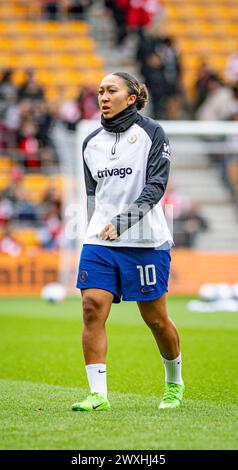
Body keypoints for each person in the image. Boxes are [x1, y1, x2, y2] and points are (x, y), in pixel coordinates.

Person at [72, 72, 184, 412]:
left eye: (112, 90)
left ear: (132, 97)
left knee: (155, 319)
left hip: (146, 240)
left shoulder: (152, 133)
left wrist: (121, 223)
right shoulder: (90, 142)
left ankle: (174, 383)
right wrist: (95, 228)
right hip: (101, 242)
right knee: (92, 307)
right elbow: (94, 196)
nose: (103, 96)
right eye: (100, 91)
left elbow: (156, 187)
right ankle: (98, 394)